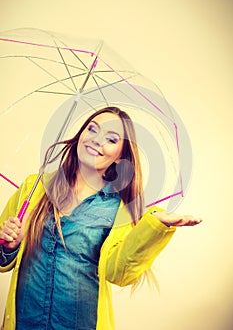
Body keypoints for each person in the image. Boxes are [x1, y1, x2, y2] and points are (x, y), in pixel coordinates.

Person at [0, 106, 202, 330]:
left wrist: (155, 225)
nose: (97, 140)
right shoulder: (35, 187)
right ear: (81, 136)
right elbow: (2, 258)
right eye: (92, 129)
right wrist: (9, 247)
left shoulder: (119, 210)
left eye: (111, 139)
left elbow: (119, 273)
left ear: (119, 158)